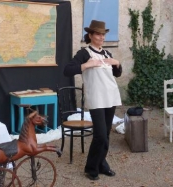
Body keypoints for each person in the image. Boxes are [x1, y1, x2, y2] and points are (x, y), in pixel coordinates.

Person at [64, 20, 122, 180]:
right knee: (100, 135)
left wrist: (117, 63)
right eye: (98, 34)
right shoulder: (84, 53)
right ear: (90, 35)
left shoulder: (107, 54)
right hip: (96, 98)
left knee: (106, 135)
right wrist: (87, 65)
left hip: (111, 96)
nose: (102, 37)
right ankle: (91, 168)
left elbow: (116, 74)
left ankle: (101, 164)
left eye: (103, 34)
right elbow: (67, 70)